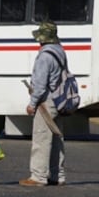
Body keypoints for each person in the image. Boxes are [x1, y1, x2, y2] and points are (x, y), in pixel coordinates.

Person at [22, 21, 69, 186]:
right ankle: (58, 175)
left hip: (46, 102)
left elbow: (41, 85)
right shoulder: (60, 51)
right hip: (59, 100)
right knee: (56, 139)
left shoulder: (44, 56)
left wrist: (32, 104)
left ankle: (38, 176)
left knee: (41, 138)